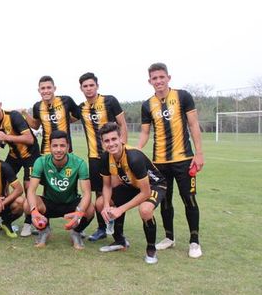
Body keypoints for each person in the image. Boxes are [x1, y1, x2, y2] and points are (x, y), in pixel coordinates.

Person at [138, 62, 204, 258]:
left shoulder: (183, 96)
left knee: (189, 199)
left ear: (168, 77)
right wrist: (133, 150)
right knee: (165, 201)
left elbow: (193, 125)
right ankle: (169, 237)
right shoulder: (147, 105)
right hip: (159, 163)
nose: (158, 81)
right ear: (149, 81)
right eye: (154, 78)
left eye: (161, 77)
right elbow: (144, 133)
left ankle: (194, 241)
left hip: (184, 159)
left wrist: (199, 154)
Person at [99, 122, 167, 264]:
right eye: (107, 141)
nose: (110, 144)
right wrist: (106, 205)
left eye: (113, 139)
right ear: (102, 143)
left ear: (120, 139)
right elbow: (107, 185)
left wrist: (120, 209)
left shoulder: (133, 157)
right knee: (100, 203)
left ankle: (151, 249)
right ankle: (120, 240)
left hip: (154, 185)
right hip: (132, 184)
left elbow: (145, 192)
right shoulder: (106, 158)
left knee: (145, 210)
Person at [76, 72, 128, 242]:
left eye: (91, 85)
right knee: (99, 193)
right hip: (94, 157)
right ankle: (102, 228)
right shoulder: (81, 108)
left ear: (97, 85)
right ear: (81, 88)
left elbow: (122, 124)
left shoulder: (109, 101)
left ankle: (118, 230)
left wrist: (123, 149)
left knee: (116, 191)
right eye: (85, 86)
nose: (89, 88)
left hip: (113, 155)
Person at [0, 92, 41, 237]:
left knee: (28, 188)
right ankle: (4, 219)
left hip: (30, 155)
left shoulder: (13, 115)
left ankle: (29, 223)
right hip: (14, 156)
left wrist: (6, 137)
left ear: (0, 104)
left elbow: (29, 139)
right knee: (1, 182)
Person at [25, 130, 94, 249]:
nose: (58, 149)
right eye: (55, 145)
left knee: (90, 209)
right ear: (49, 147)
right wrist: (34, 211)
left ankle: (76, 232)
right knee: (27, 204)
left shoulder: (79, 163)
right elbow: (31, 190)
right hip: (49, 203)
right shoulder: (41, 162)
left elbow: (87, 193)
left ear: (68, 147)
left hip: (71, 204)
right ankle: (44, 230)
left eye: (62, 145)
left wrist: (79, 212)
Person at [24, 75, 80, 155]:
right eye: (43, 88)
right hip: (46, 151)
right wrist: (24, 113)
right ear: (39, 90)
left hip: (66, 150)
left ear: (54, 88)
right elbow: (35, 126)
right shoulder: (37, 106)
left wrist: (66, 119)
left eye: (49, 87)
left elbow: (78, 115)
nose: (46, 91)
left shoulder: (66, 100)